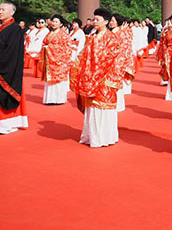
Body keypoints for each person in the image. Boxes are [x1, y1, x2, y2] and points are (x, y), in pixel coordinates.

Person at [70, 8, 121, 147]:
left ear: (106, 21)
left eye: (97, 20)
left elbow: (110, 58)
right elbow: (83, 55)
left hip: (105, 79)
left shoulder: (111, 37)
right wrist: (78, 66)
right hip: (90, 77)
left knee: (102, 108)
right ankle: (92, 136)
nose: (94, 22)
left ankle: (104, 137)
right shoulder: (92, 37)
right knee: (92, 108)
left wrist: (94, 68)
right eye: (94, 19)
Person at [0, 2, 28, 134]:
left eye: (3, 9)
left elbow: (12, 51)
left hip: (5, 66)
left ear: (12, 12)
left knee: (4, 93)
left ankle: (7, 123)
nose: (0, 12)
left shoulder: (15, 29)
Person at [41, 14, 75, 105]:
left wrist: (49, 48)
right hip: (50, 60)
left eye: (56, 22)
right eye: (53, 21)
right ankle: (50, 99)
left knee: (58, 81)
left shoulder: (63, 35)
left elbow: (66, 48)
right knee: (50, 81)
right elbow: (44, 42)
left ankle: (59, 99)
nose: (54, 23)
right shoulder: (50, 33)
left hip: (60, 61)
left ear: (61, 24)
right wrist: (46, 47)